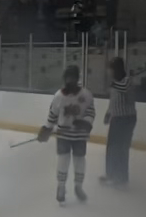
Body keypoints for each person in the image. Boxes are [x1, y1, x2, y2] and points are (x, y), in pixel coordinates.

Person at [38, 64, 96, 204]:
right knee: (63, 160)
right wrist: (46, 128)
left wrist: (86, 122)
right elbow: (52, 115)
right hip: (63, 135)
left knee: (79, 160)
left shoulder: (86, 95)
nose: (69, 81)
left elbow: (90, 111)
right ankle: (61, 187)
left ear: (77, 78)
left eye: (72, 78)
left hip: (80, 136)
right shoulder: (58, 96)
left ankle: (78, 186)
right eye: (67, 78)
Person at [101, 57, 137, 188]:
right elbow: (113, 100)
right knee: (111, 147)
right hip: (116, 118)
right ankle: (111, 174)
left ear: (117, 69)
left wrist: (112, 85)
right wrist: (108, 113)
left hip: (126, 119)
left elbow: (124, 88)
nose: (109, 71)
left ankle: (121, 177)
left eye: (110, 68)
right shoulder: (115, 83)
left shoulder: (127, 81)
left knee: (121, 148)